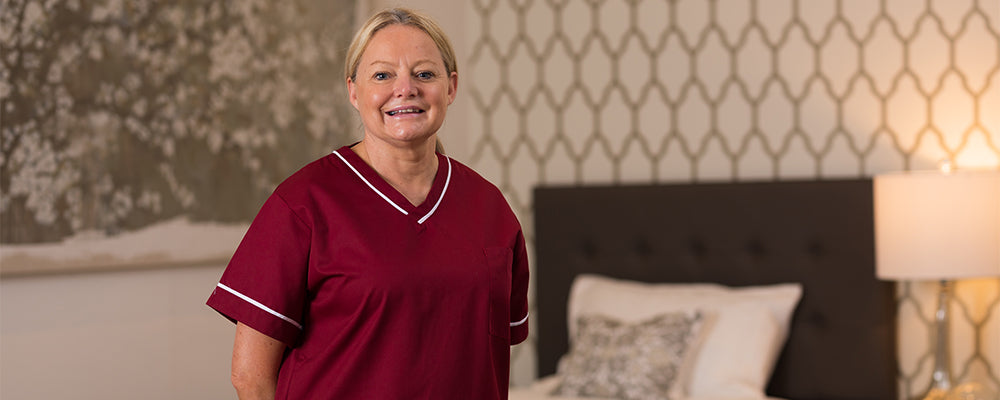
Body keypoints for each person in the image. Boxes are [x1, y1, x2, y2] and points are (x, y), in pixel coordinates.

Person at [206, 7, 530, 399]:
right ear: (354, 92)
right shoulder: (303, 203)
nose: (405, 88)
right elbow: (250, 377)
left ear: (451, 87)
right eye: (382, 75)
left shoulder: (489, 208)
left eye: (425, 74)